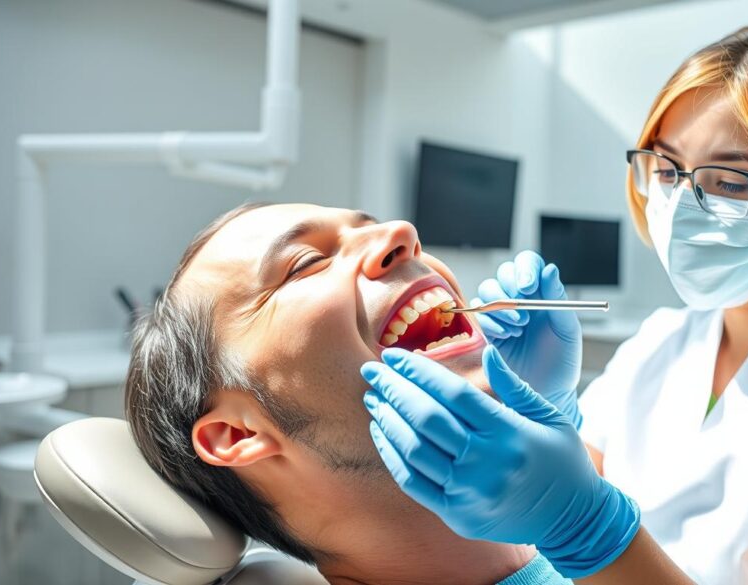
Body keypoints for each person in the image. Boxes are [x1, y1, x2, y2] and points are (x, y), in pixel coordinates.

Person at [360, 21, 748, 585]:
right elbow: (533, 533)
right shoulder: (663, 342)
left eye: (728, 179)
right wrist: (541, 413)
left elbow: (571, 522)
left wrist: (585, 529)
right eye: (666, 169)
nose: (682, 205)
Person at [125, 202, 572, 585]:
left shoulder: (589, 550)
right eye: (305, 263)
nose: (401, 232)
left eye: (368, 225)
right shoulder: (592, 539)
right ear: (238, 432)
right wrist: (587, 526)